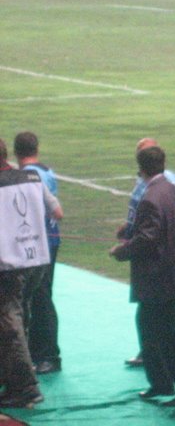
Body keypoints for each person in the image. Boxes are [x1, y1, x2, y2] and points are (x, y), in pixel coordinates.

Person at [109, 145, 175, 403]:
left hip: (157, 278)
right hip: (172, 272)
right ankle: (166, 384)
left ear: (141, 168)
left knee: (163, 334)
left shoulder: (150, 197)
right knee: (163, 330)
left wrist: (122, 251)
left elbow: (148, 238)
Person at [0, 138, 62, 409]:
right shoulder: (32, 177)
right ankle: (13, 381)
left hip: (9, 263)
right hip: (37, 258)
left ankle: (25, 387)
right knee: (19, 317)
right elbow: (57, 211)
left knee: (9, 323)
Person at [120, 137, 175, 369]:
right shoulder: (162, 187)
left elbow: (150, 233)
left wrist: (124, 249)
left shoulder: (154, 191)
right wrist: (128, 229)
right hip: (163, 264)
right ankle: (160, 370)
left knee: (156, 321)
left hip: (155, 266)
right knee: (160, 320)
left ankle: (164, 373)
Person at [15, 131, 61, 375]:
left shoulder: (29, 176)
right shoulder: (47, 171)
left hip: (38, 245)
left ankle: (49, 355)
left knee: (40, 299)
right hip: (50, 241)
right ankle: (40, 352)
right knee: (40, 297)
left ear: (16, 152)